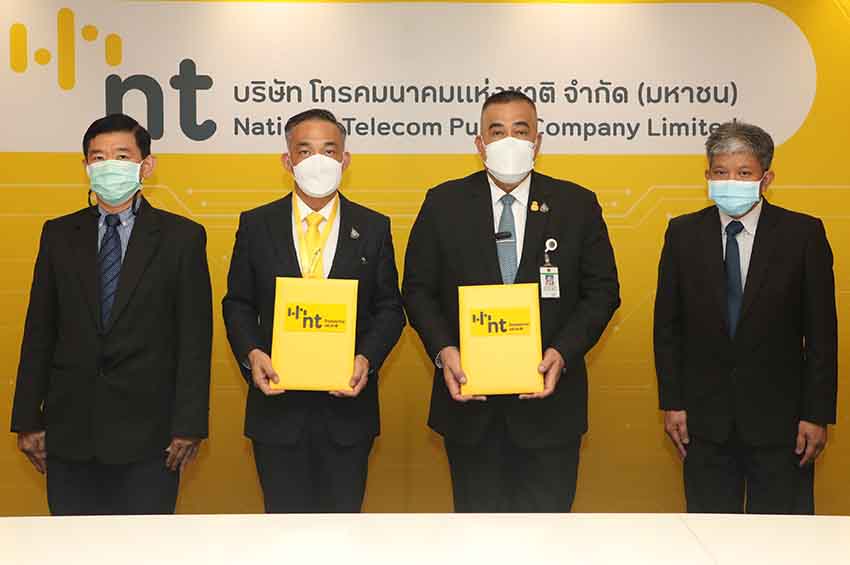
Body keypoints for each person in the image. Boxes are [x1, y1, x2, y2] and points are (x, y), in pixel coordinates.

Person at [402, 90, 620, 512]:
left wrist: (562, 352)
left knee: (548, 537)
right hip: (470, 410)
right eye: (497, 131)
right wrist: (444, 351)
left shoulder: (576, 204)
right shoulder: (443, 203)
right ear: (479, 143)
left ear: (537, 141)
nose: (509, 141)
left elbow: (602, 291)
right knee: (479, 535)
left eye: (520, 131)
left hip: (551, 410)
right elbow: (417, 289)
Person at [10, 113, 212, 515]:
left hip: (151, 438)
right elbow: (39, 332)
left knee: (143, 545)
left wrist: (189, 425)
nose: (109, 166)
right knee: (72, 544)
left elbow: (194, 338)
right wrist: (28, 418)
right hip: (70, 433)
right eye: (98, 157)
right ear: (86, 166)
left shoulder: (182, 237)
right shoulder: (58, 234)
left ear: (146, 165)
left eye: (121, 156)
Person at [222, 109, 405, 513]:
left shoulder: (373, 227)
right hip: (277, 411)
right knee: (283, 531)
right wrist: (253, 353)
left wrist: (366, 358)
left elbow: (390, 308)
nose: (317, 161)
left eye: (329, 150)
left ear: (345, 159)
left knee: (343, 531)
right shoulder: (256, 224)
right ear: (287, 161)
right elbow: (238, 303)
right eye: (305, 151)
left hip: (348, 414)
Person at [653, 121, 838, 514]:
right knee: (709, 535)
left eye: (743, 173)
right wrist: (673, 403)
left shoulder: (803, 234)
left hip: (783, 424)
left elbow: (822, 334)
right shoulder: (683, 234)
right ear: (707, 176)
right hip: (704, 422)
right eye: (721, 172)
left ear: (766, 178)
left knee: (782, 536)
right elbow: (667, 328)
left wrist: (816, 414)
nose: (731, 182)